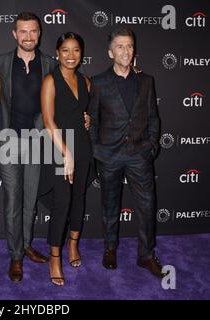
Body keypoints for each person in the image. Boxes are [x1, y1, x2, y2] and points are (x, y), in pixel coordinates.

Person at [88, 28, 167, 278]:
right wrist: (96, 151)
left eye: (129, 46)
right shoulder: (99, 82)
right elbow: (93, 120)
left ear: (134, 51)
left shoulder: (147, 81)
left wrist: (152, 147)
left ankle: (146, 255)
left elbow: (153, 118)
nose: (125, 51)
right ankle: (110, 248)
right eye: (120, 46)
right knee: (110, 205)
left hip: (140, 154)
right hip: (109, 155)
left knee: (146, 206)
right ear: (111, 52)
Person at [0, 12, 56, 282]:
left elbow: (70, 90)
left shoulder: (50, 64)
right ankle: (15, 255)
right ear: (15, 34)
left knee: (30, 199)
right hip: (8, 141)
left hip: (37, 140)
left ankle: (26, 243)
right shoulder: (0, 63)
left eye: (33, 31)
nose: (29, 36)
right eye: (23, 32)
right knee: (13, 199)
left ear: (39, 33)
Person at [40, 32, 92, 286]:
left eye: (76, 50)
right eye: (65, 50)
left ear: (81, 54)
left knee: (79, 197)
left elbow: (82, 113)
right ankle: (55, 257)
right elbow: (49, 122)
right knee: (62, 202)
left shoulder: (86, 81)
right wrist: (66, 154)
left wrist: (87, 120)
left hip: (82, 146)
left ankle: (73, 245)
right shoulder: (50, 80)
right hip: (60, 147)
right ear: (57, 53)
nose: (71, 55)